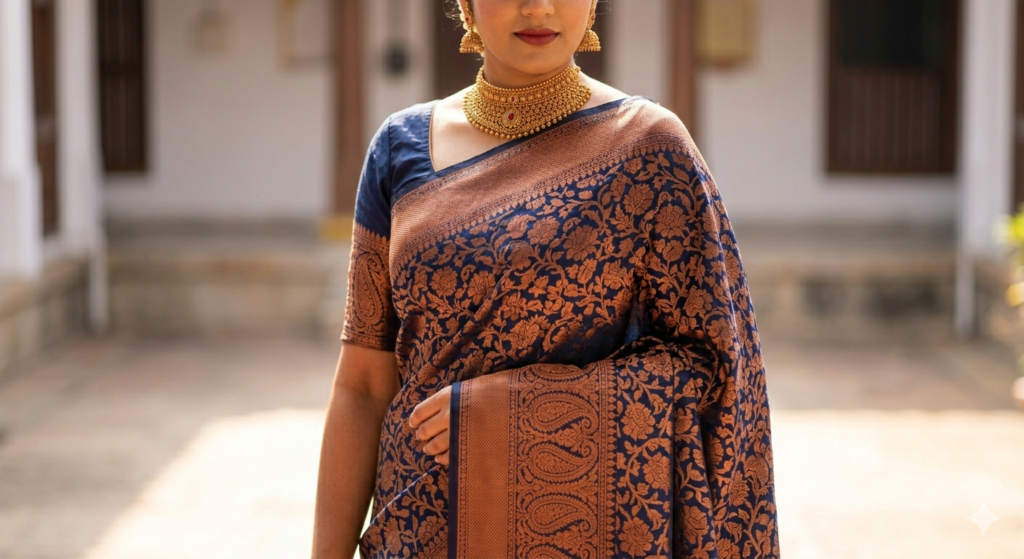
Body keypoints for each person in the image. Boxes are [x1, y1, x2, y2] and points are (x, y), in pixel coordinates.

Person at [312, 0, 779, 557]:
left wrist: (521, 414)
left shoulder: (650, 149)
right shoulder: (399, 149)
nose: (538, 7)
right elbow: (362, 386)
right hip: (414, 531)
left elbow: (721, 374)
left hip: (582, 536)